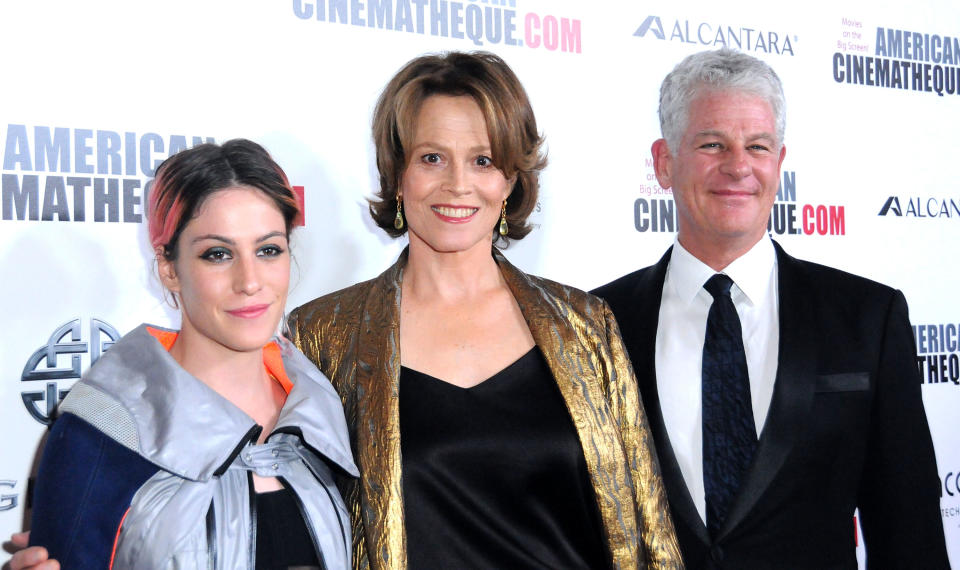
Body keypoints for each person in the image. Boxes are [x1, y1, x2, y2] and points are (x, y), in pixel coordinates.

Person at [287, 51, 682, 569]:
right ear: (397, 172)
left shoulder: (586, 326)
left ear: (511, 180)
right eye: (431, 158)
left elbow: (650, 531)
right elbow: (305, 532)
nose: (458, 183)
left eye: (483, 160)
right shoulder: (323, 336)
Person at [592, 48, 949, 569]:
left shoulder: (868, 319)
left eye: (757, 146)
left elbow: (909, 531)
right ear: (664, 162)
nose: (738, 166)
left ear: (779, 163)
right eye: (712, 144)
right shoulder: (599, 323)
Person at [17, 140, 358, 569]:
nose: (250, 281)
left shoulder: (324, 409)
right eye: (218, 254)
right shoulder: (102, 431)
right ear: (169, 268)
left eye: (268, 249)